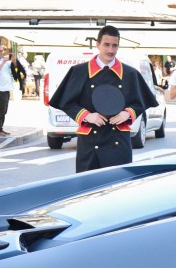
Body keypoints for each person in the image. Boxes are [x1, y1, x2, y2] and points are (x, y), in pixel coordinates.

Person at [48, 24, 157, 172]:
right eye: (106, 45)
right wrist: (86, 116)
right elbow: (66, 103)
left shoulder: (129, 73)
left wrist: (128, 113)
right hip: (90, 143)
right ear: (98, 45)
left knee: (118, 188)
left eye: (114, 45)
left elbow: (141, 103)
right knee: (88, 188)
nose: (111, 50)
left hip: (118, 141)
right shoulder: (79, 71)